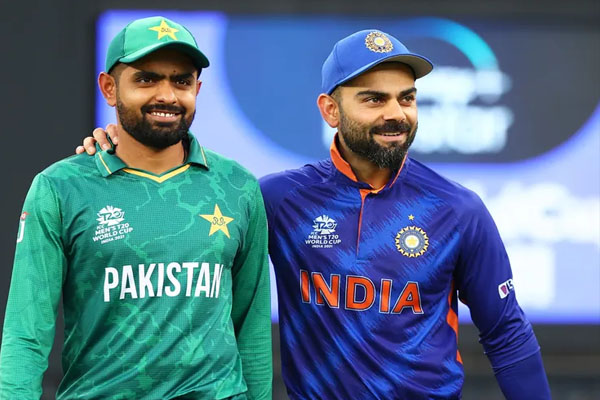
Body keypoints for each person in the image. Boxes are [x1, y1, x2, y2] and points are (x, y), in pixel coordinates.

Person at [77, 30, 551, 399]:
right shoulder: (279, 199)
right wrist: (121, 147)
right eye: (373, 98)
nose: (396, 113)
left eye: (406, 98)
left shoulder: (458, 209)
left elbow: (506, 333)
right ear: (330, 110)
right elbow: (179, 207)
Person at [0, 16, 272, 400]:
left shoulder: (237, 185)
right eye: (146, 79)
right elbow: (26, 333)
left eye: (181, 81)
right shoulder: (60, 187)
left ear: (197, 88)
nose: (167, 95)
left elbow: (253, 327)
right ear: (109, 88)